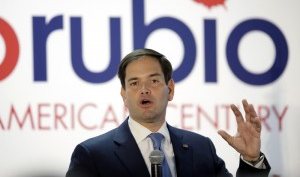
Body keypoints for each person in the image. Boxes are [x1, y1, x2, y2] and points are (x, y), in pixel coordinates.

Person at [66, 48, 271, 177]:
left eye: (153, 81)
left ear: (170, 89)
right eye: (134, 83)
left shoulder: (201, 149)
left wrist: (251, 160)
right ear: (124, 95)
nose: (144, 89)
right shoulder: (92, 155)